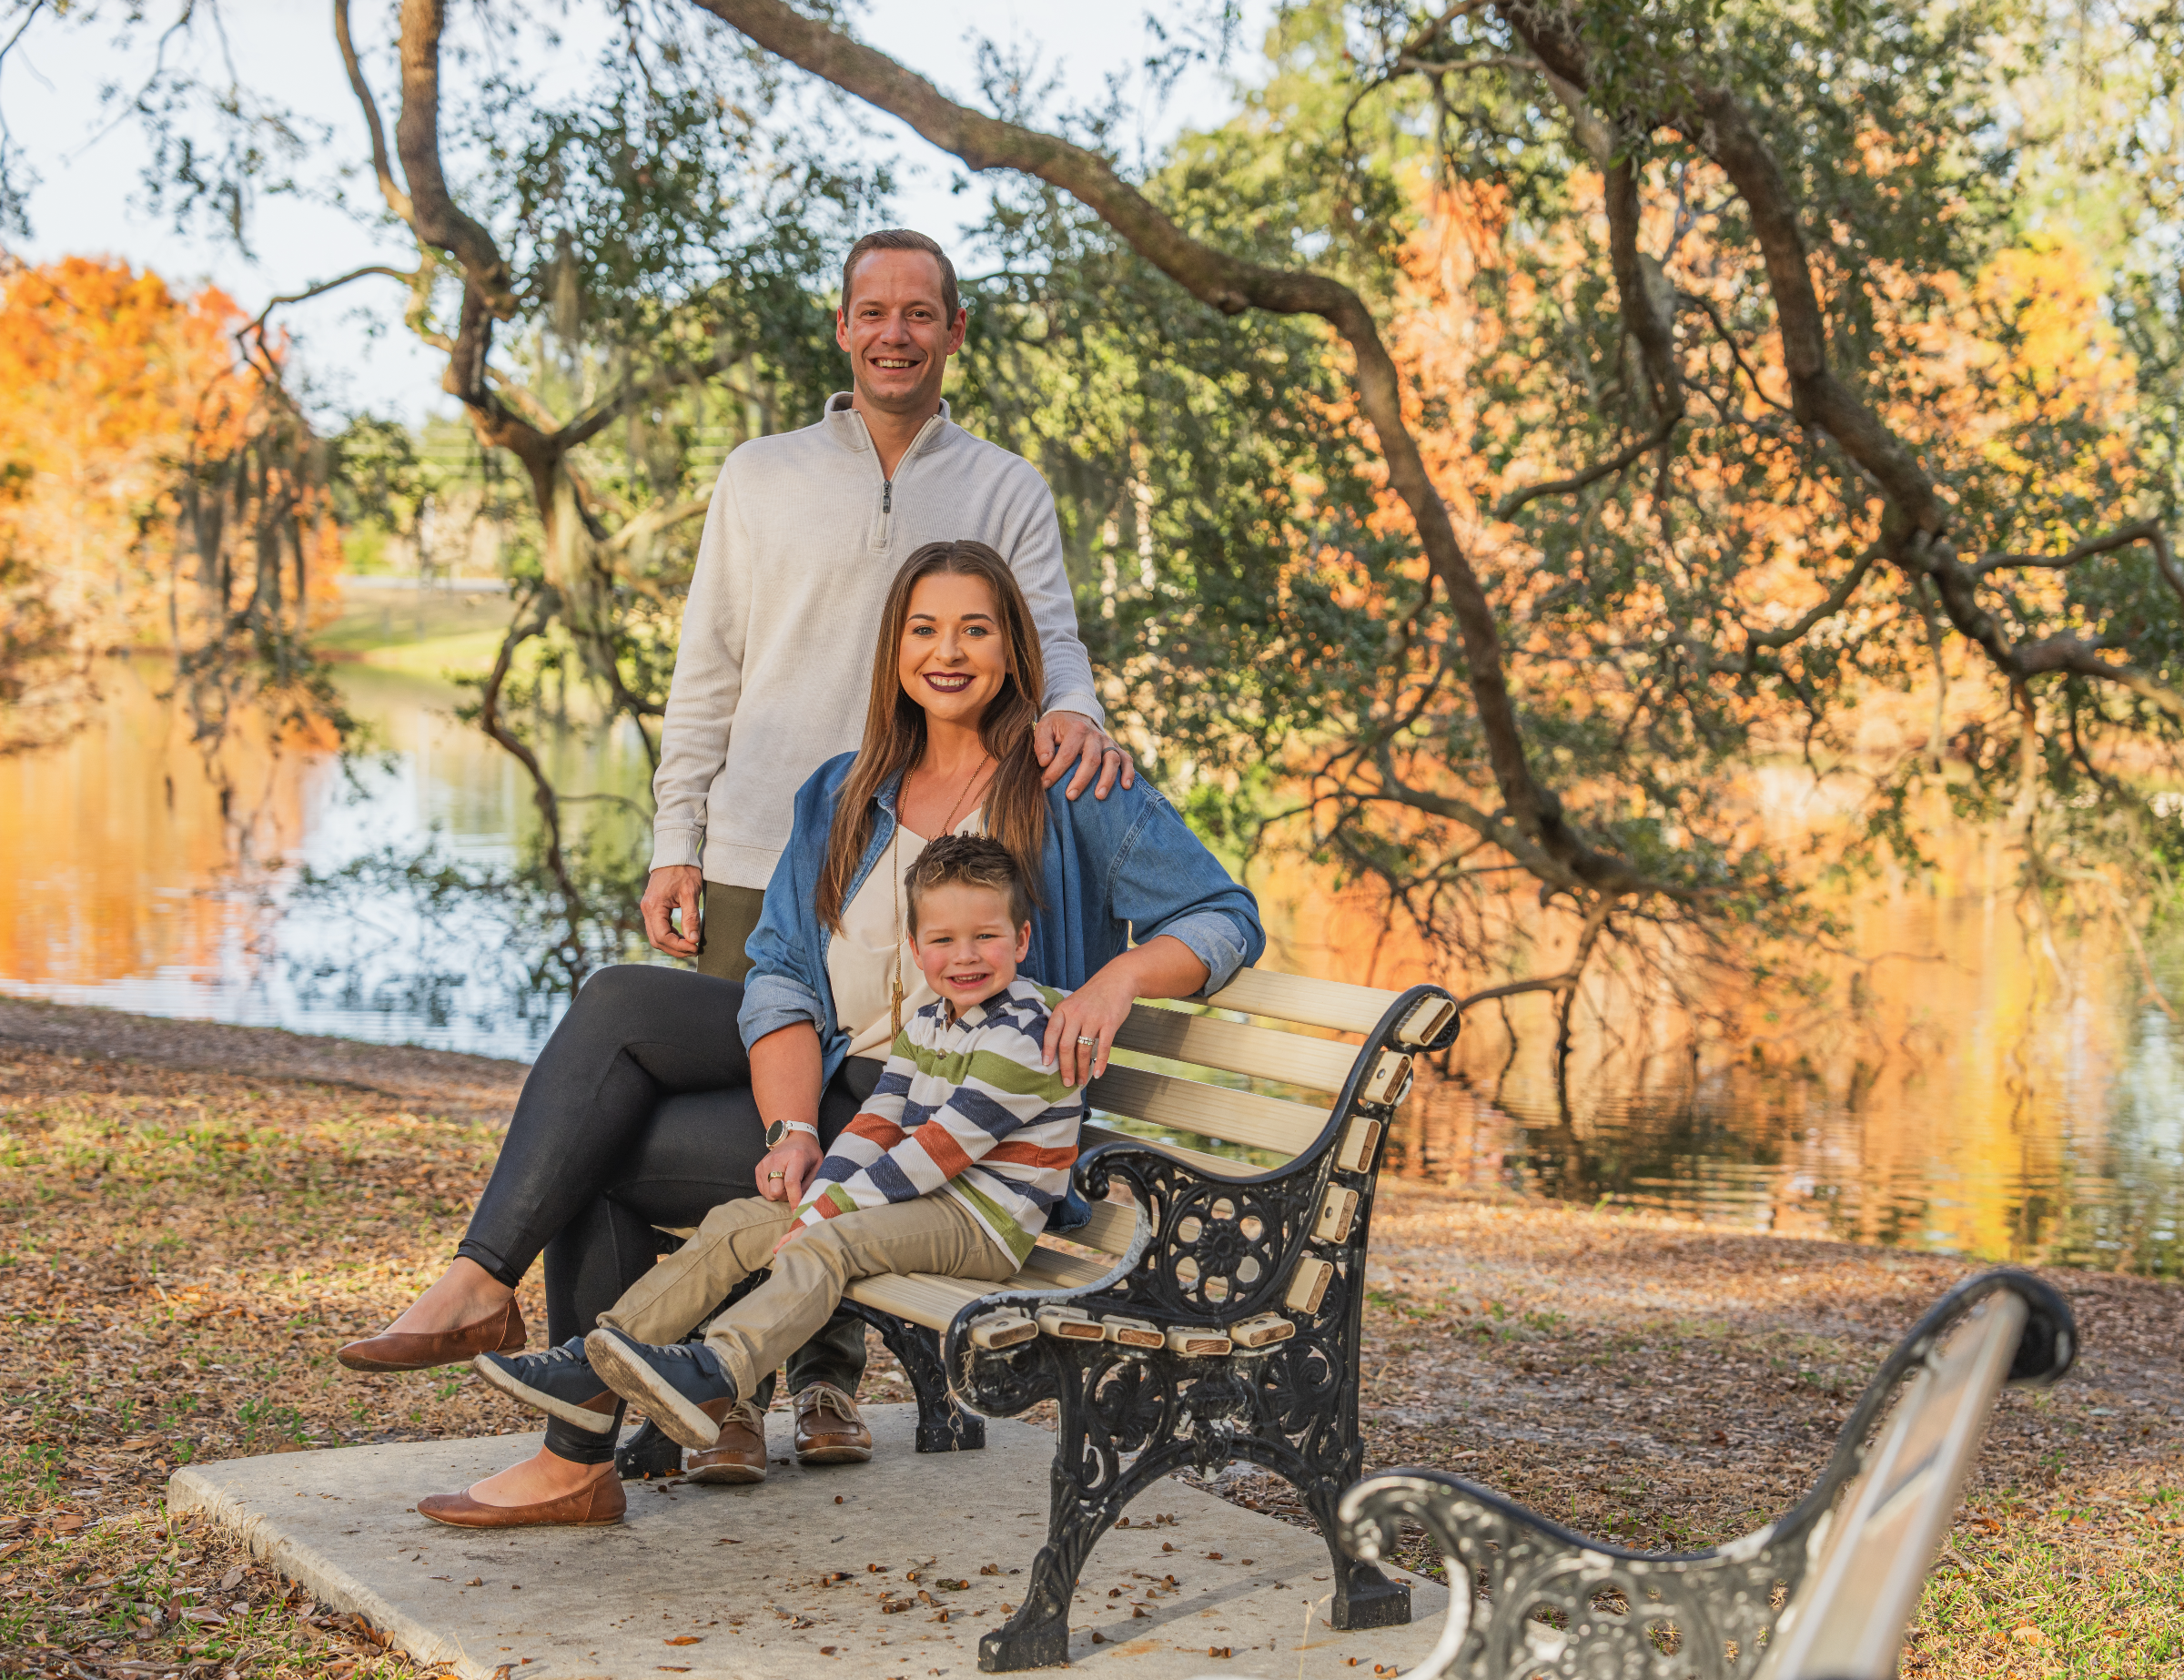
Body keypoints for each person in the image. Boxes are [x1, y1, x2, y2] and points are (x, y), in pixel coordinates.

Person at [337, 228, 1134, 1471]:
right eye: (873, 311)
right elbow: (704, 670)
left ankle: (794, 1383)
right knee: (753, 1100)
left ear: (953, 332)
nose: (895, 334)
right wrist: (678, 837)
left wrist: (1074, 712)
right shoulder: (761, 475)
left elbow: (1055, 643)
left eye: (920, 313)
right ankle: (708, 1405)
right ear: (841, 327)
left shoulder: (1002, 486)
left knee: (823, 1099)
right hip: (767, 850)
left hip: (935, 858)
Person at [393, 539, 1262, 1528]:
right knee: (619, 1009)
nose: (949, 651)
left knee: (603, 1144)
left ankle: (573, 1454)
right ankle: (490, 1290)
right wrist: (793, 1130)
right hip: (852, 1087)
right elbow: (781, 975)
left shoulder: (1068, 782)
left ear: (1016, 650)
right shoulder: (845, 792)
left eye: (975, 628)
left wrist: (1117, 980)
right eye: (924, 629)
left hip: (970, 1124)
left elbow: (1224, 916)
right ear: (893, 649)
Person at [424, 834, 1087, 1528]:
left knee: (830, 1244)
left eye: (987, 936)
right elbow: (877, 1126)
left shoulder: (1028, 1034)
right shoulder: (927, 1023)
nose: (967, 956)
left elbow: (936, 1156)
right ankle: (593, 1361)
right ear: (917, 949)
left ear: (1022, 936)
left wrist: (823, 1213)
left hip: (984, 1221)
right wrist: (816, 1195)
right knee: (745, 1220)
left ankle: (717, 1373)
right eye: (945, 939)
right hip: (922, 1201)